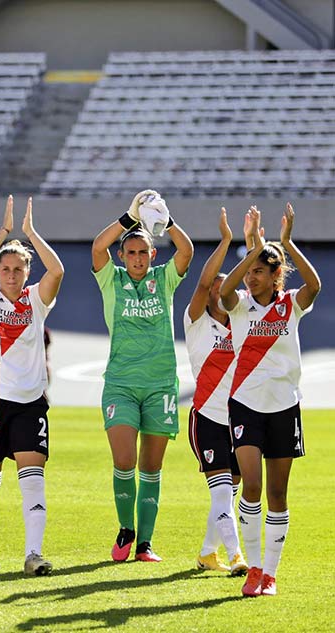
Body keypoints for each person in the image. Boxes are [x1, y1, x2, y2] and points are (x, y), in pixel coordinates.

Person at [219, 204, 320, 597]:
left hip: (285, 405)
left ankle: (271, 574)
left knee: (278, 494)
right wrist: (252, 249)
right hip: (244, 403)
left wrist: (288, 243)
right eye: (250, 270)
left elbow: (316, 287)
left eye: (261, 270)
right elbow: (225, 291)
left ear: (276, 274)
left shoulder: (290, 304)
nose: (252, 277)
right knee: (252, 487)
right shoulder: (240, 305)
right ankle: (254, 567)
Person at [91, 189, 193, 563]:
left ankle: (146, 543)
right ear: (123, 256)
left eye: (143, 252)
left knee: (152, 467)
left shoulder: (165, 279)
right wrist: (129, 216)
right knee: (124, 462)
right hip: (120, 383)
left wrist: (164, 221)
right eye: (130, 252)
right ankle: (126, 529)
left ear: (153, 254)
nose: (136, 258)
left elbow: (186, 252)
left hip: (161, 384)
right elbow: (97, 248)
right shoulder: (111, 279)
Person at [0, 195, 64, 575]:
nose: (10, 274)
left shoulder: (36, 300)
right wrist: (3, 231)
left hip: (29, 402)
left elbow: (56, 272)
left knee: (33, 479)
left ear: (26, 271)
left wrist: (30, 233)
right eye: (5, 268)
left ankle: (33, 554)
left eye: (18, 269)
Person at [183, 207, 248, 576]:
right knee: (223, 491)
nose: (221, 293)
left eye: (229, 289)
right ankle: (237, 556)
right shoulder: (195, 322)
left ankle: (208, 553)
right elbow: (205, 283)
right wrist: (226, 240)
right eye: (216, 290)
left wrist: (253, 242)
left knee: (229, 491)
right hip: (206, 417)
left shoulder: (241, 324)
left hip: (239, 416)